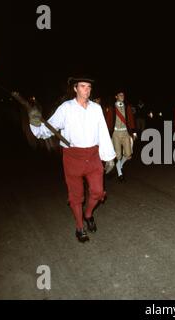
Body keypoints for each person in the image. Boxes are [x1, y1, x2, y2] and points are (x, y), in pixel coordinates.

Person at [25, 76, 116, 243]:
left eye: (89, 87)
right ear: (75, 89)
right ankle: (80, 226)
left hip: (93, 155)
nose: (87, 90)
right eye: (83, 86)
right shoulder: (65, 108)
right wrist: (36, 122)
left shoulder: (96, 108)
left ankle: (88, 215)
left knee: (97, 191)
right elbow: (48, 129)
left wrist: (109, 157)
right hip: (73, 156)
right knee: (76, 195)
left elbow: (103, 132)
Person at [110, 91, 136, 181]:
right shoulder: (112, 108)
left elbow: (131, 119)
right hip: (116, 133)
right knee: (118, 155)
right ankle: (120, 174)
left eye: (123, 95)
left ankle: (119, 165)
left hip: (125, 132)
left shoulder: (127, 107)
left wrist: (134, 132)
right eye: (120, 95)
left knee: (128, 154)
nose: (122, 96)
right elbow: (108, 121)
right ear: (116, 96)